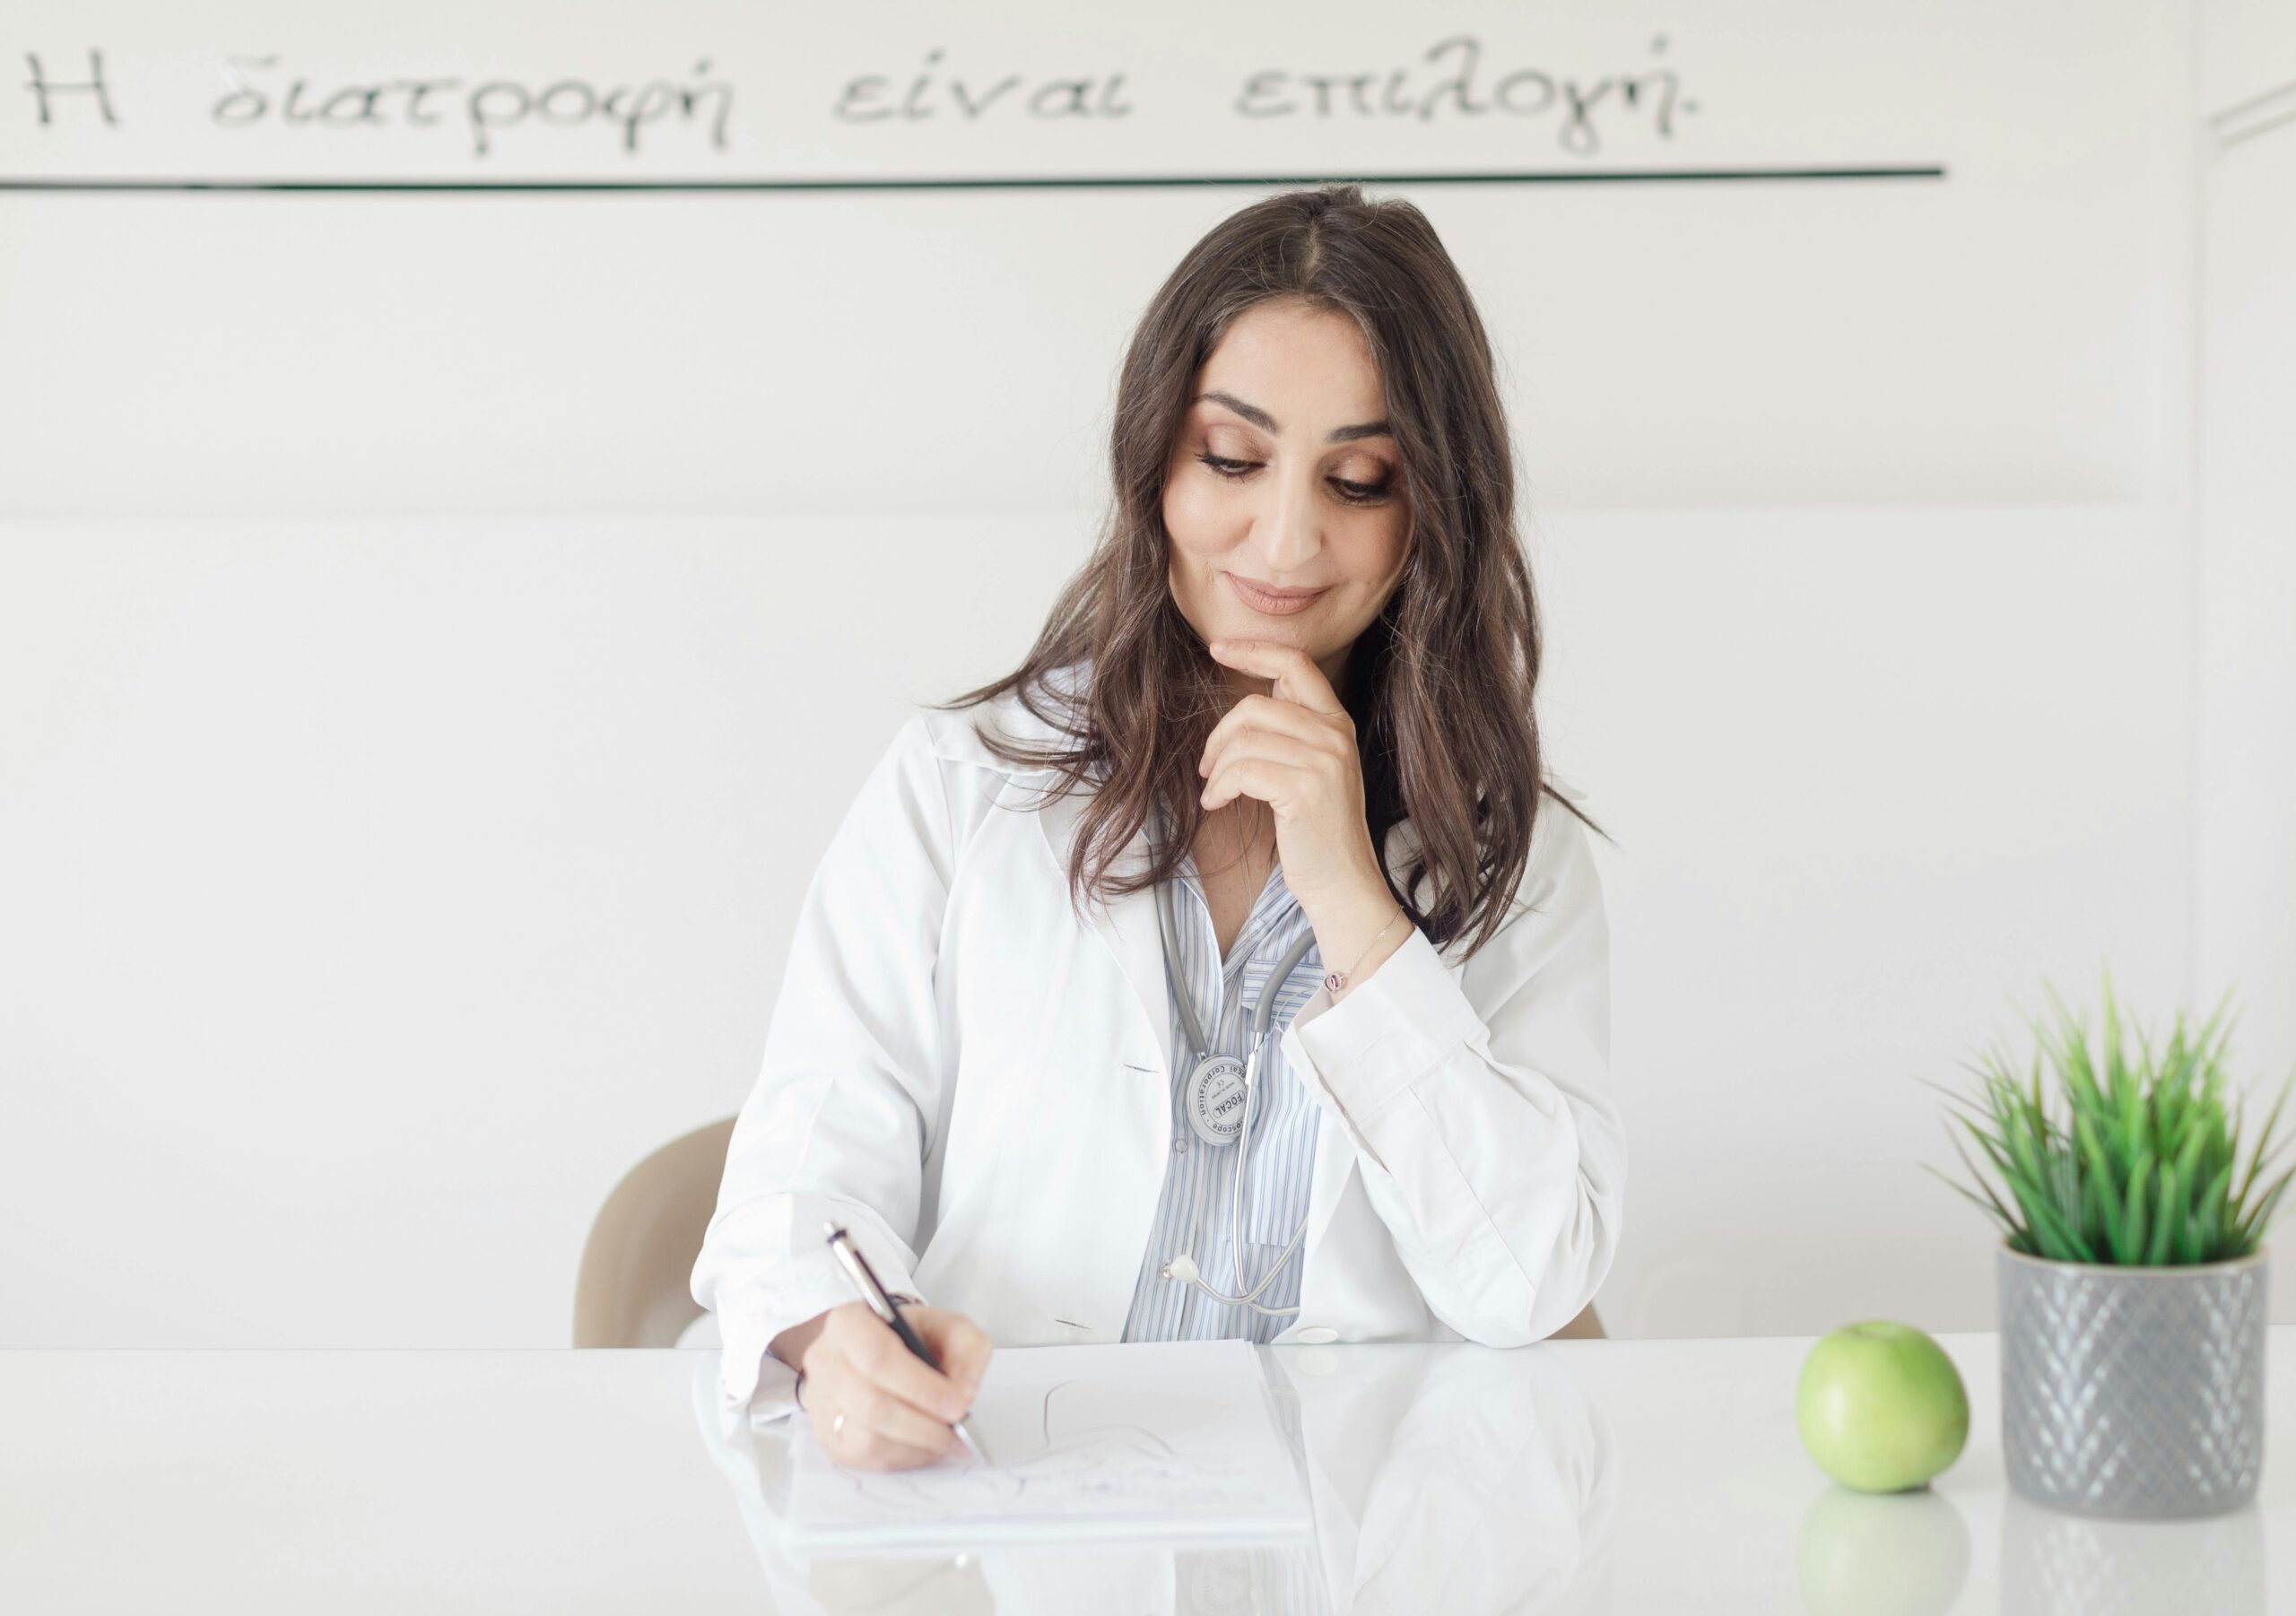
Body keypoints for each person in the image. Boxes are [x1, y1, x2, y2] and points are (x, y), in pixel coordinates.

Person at [691, 183, 1626, 1473]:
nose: (1286, 537)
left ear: (1434, 516)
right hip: (1015, 1517)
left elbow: (1528, 1283)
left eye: (1360, 480)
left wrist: (1359, 904)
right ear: (1153, 461)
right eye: (1232, 459)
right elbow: (795, 1191)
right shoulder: (962, 786)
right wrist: (833, 1335)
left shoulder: (1512, 857)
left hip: (1360, 1549)